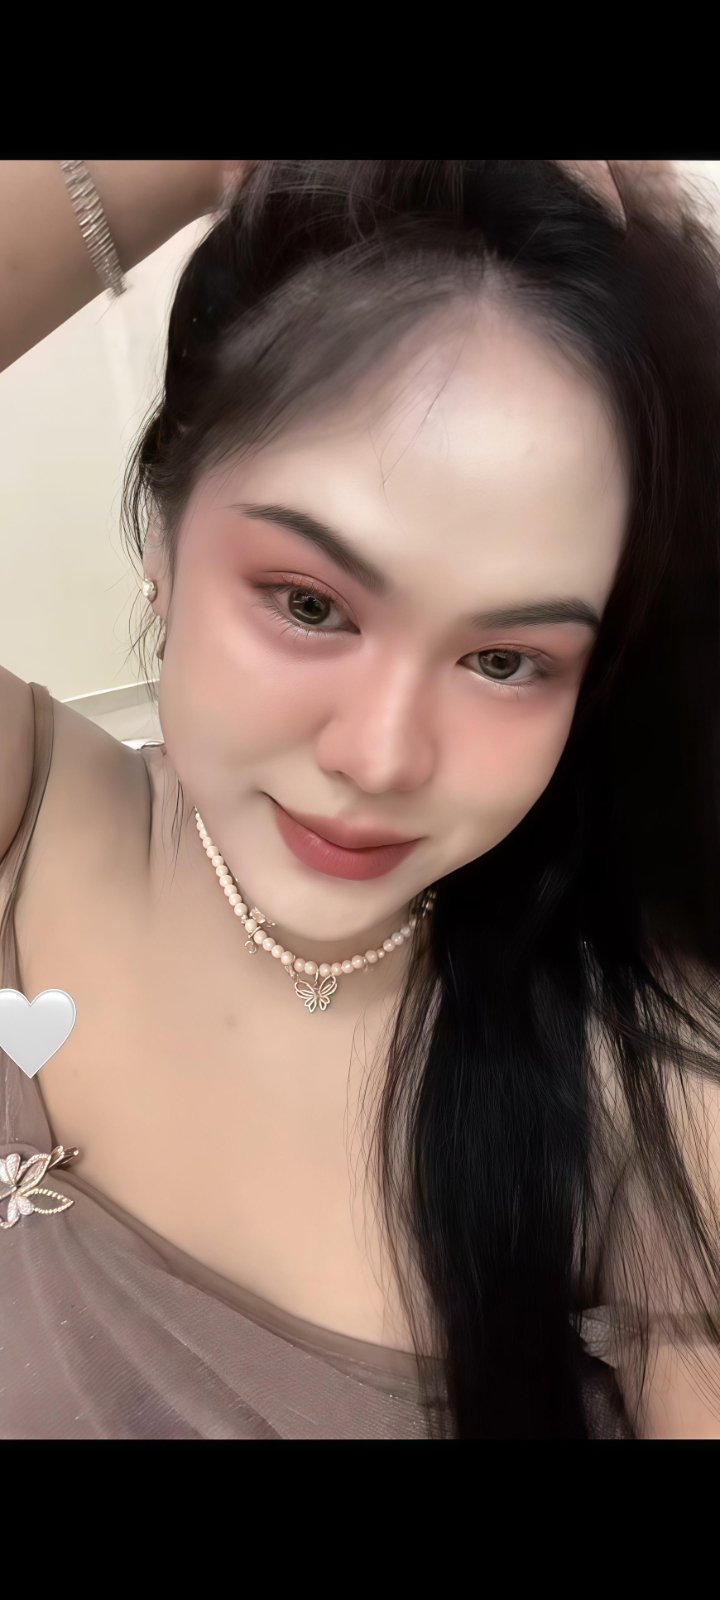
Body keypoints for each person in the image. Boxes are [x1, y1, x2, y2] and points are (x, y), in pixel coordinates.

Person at [0, 159, 719, 1441]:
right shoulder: (26, 812)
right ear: (163, 541)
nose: (382, 757)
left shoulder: (649, 1099)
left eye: (506, 661)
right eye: (310, 602)